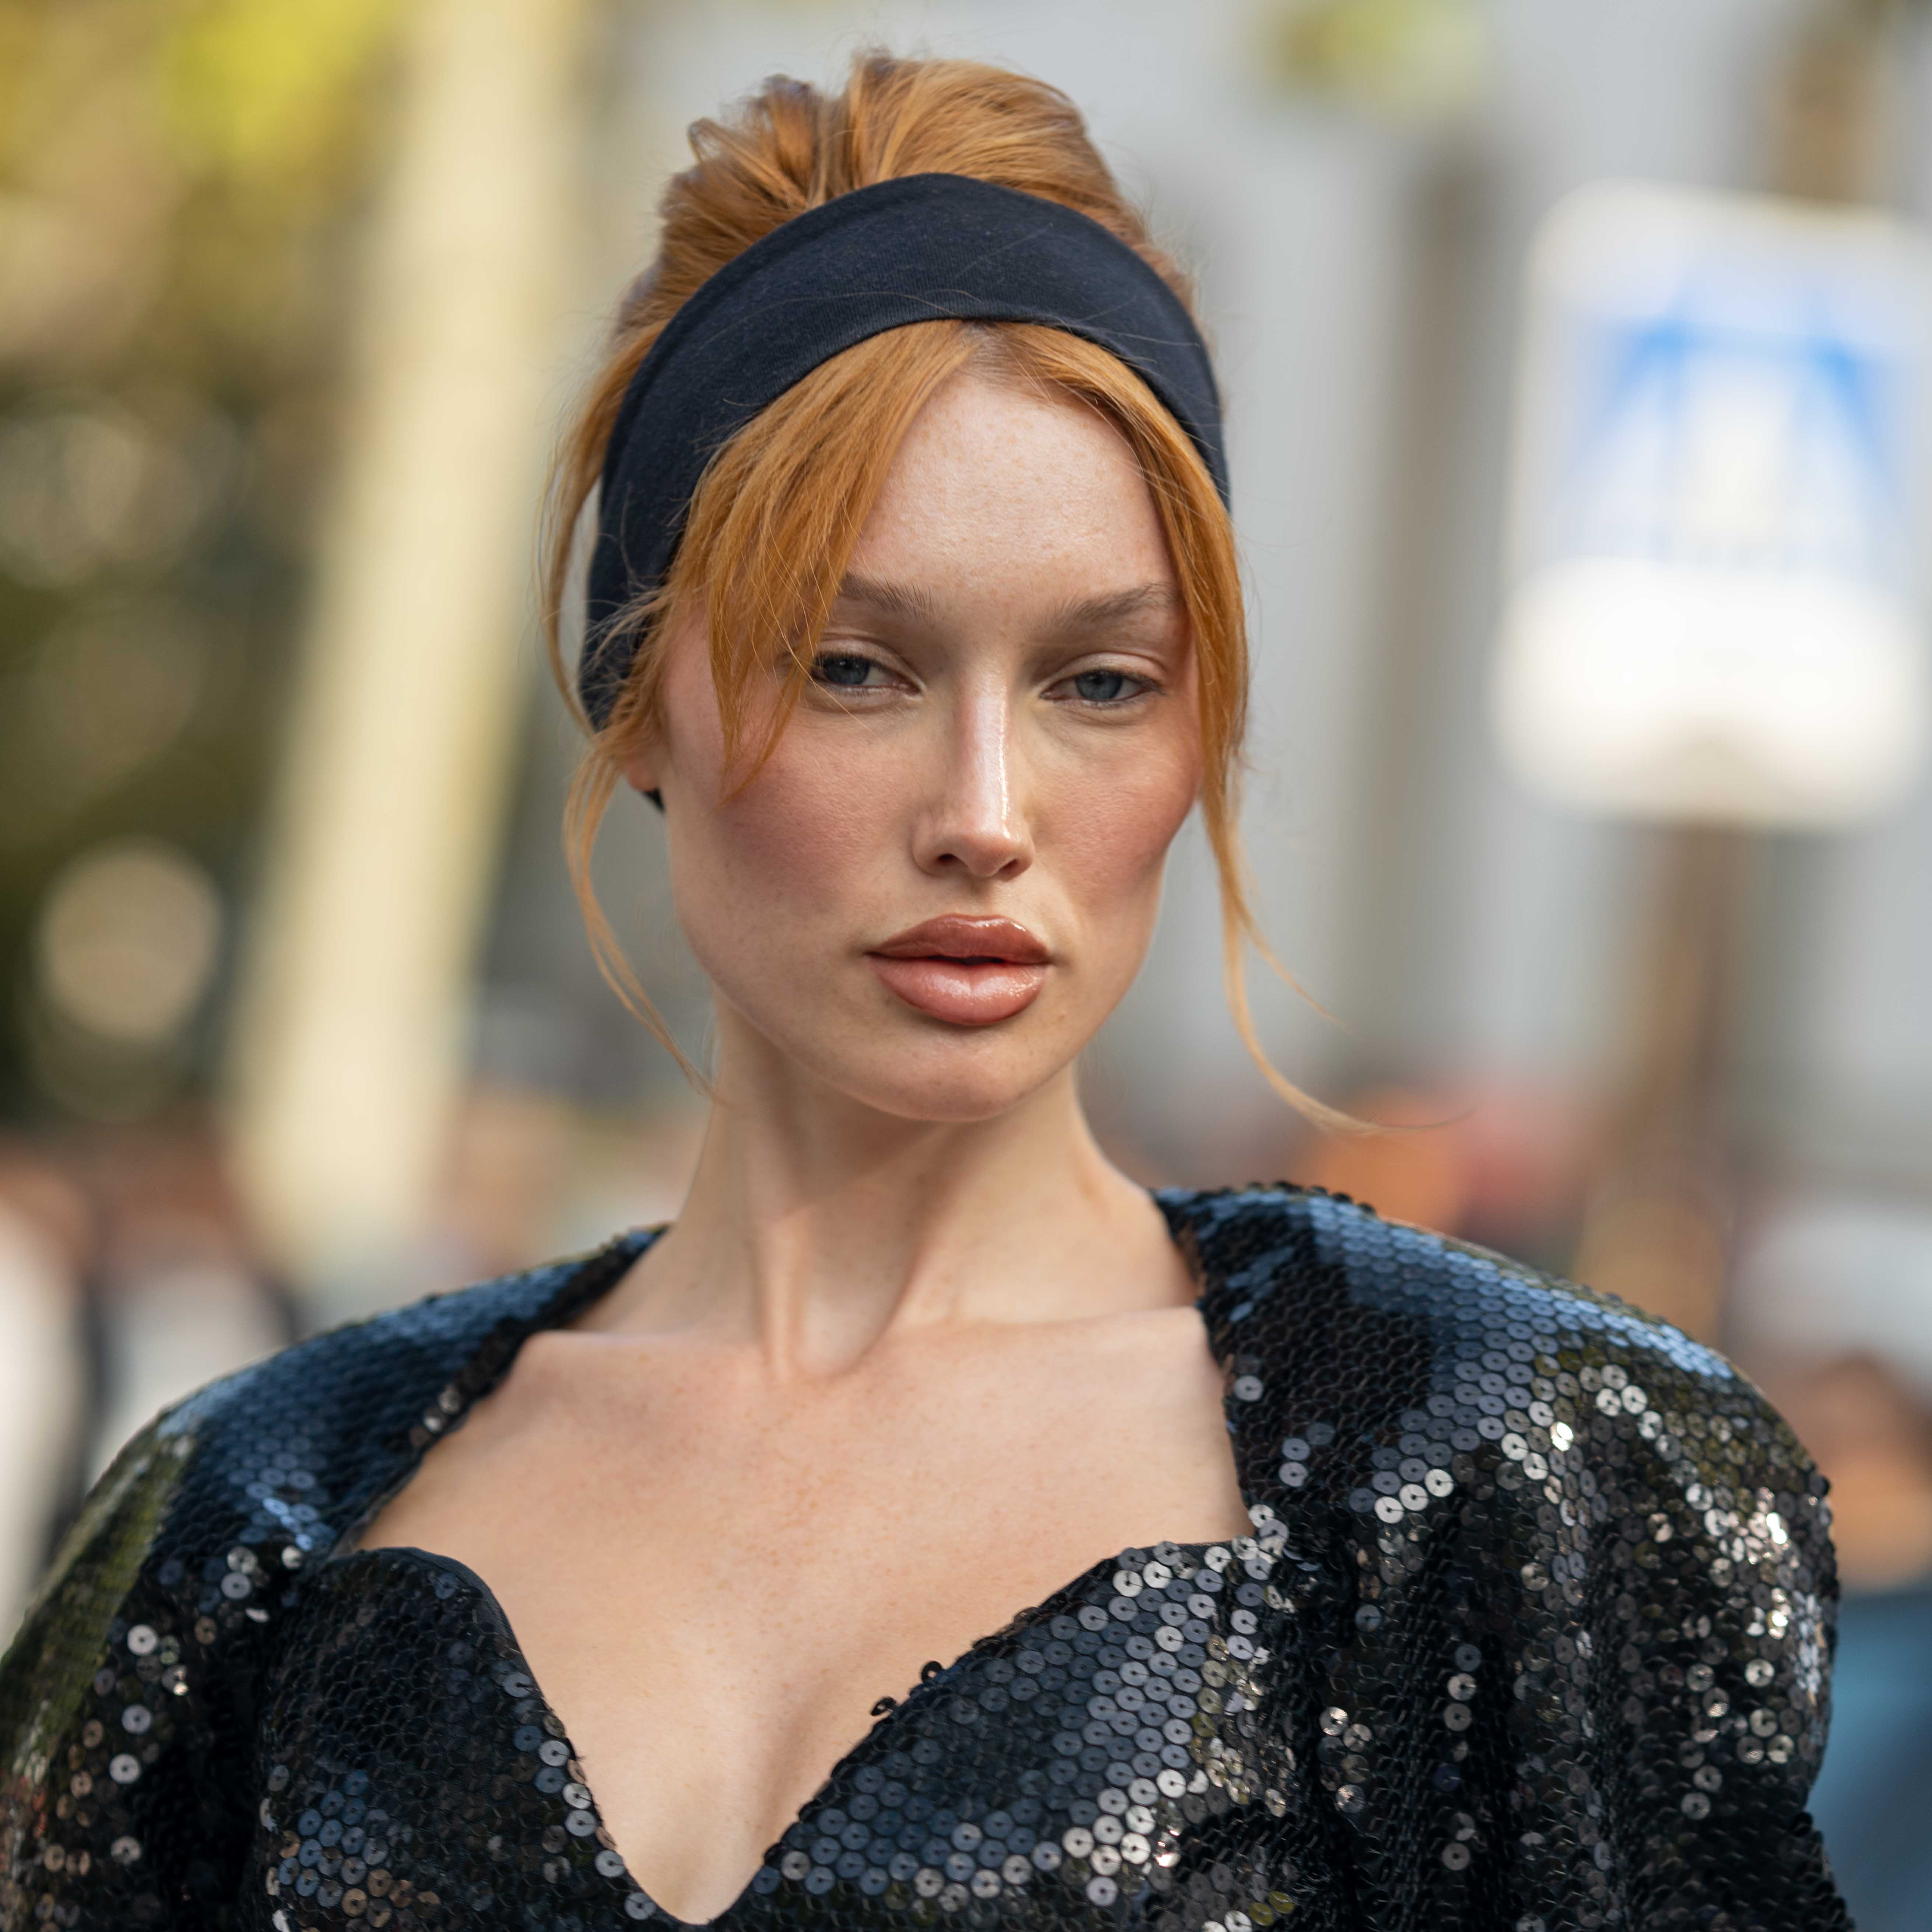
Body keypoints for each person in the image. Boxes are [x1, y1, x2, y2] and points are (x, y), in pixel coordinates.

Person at [0, 54, 1847, 1932]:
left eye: (1100, 683)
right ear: (642, 699)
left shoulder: (1490, 1472)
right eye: (853, 667)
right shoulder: (262, 1515)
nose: (985, 818)